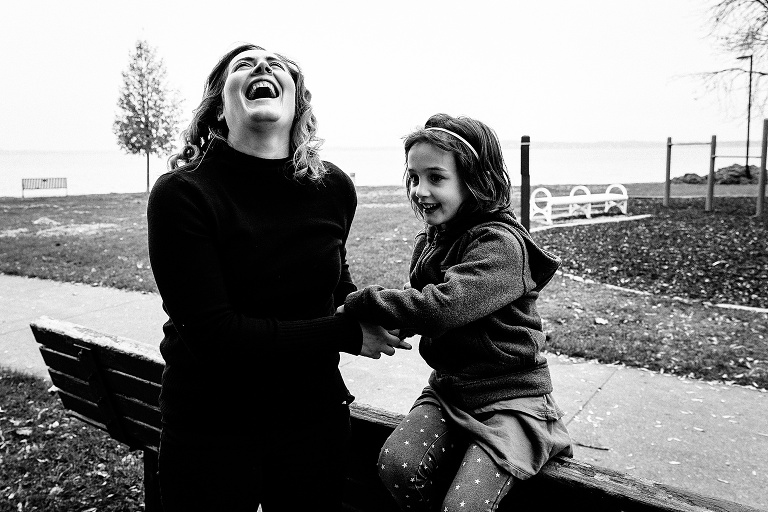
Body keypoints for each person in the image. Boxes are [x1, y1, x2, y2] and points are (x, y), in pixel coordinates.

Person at [147, 43, 408, 512]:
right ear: (218, 107)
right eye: (243, 64)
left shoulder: (332, 187)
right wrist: (347, 332)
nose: (264, 66)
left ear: (297, 102)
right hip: (211, 425)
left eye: (279, 65)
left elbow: (331, 287)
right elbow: (216, 336)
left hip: (313, 419)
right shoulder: (183, 193)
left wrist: (384, 309)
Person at [339, 114, 573, 512]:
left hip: (511, 399)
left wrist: (363, 301)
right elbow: (423, 306)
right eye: (414, 177)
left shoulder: (499, 245)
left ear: (474, 181)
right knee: (398, 465)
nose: (420, 190)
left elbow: (442, 308)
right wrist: (391, 325)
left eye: (436, 177)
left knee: (465, 506)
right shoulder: (434, 240)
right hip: (451, 390)